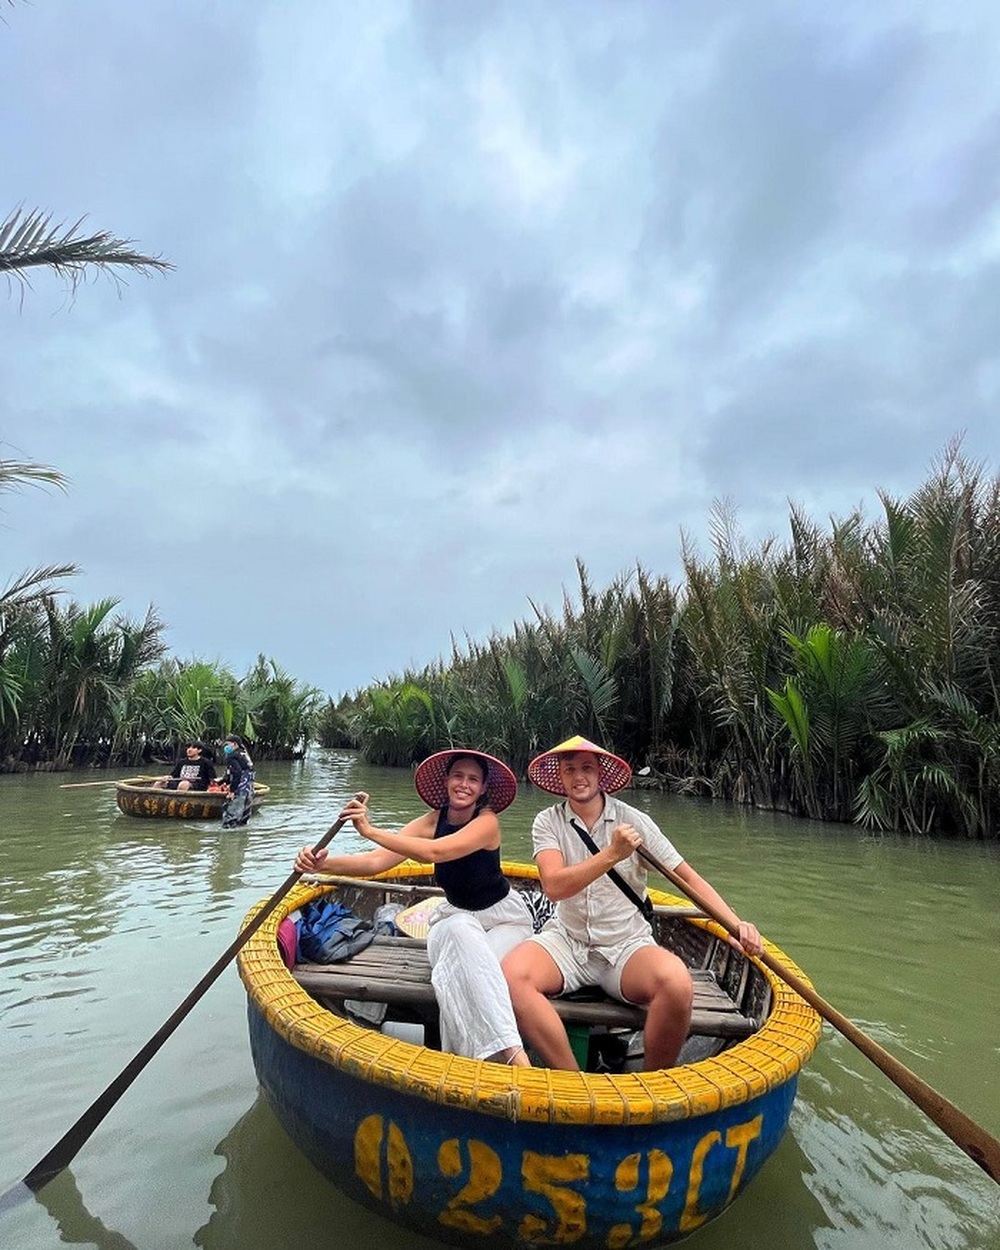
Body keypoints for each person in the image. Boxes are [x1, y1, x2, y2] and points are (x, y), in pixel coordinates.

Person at [502, 734, 762, 1071]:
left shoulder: (635, 821)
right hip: (567, 941)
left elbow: (688, 879)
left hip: (625, 946)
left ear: (600, 774)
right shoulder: (547, 821)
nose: (579, 777)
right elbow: (553, 887)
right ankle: (572, 1080)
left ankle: (652, 1086)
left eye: (586, 768)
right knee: (511, 976)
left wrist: (735, 924)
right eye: (570, 770)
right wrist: (613, 854)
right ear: (560, 777)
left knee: (677, 983)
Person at [294, 749, 533, 1066]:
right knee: (458, 940)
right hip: (456, 916)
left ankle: (503, 1056)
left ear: (483, 788)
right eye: (458, 776)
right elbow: (376, 861)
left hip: (502, 920)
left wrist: (371, 830)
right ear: (446, 781)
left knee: (474, 971)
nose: (464, 784)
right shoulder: (433, 820)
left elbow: (437, 851)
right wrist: (321, 865)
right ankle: (496, 1058)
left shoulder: (486, 823)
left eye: (473, 779)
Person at [219, 734, 255, 827]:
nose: (225, 747)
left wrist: (232, 791)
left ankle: (229, 839)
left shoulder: (232, 755)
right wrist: (224, 781)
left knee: (229, 819)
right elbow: (232, 771)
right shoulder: (244, 754)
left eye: (227, 744)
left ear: (235, 744)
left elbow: (237, 772)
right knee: (243, 819)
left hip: (240, 787)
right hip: (249, 789)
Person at [151, 741, 216, 791]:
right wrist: (166, 777)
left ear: (199, 750)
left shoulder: (206, 762)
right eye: (188, 747)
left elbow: (212, 779)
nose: (189, 750)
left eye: (193, 748)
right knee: (159, 782)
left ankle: (178, 803)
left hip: (198, 785)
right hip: (179, 782)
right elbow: (173, 775)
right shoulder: (182, 762)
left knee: (184, 784)